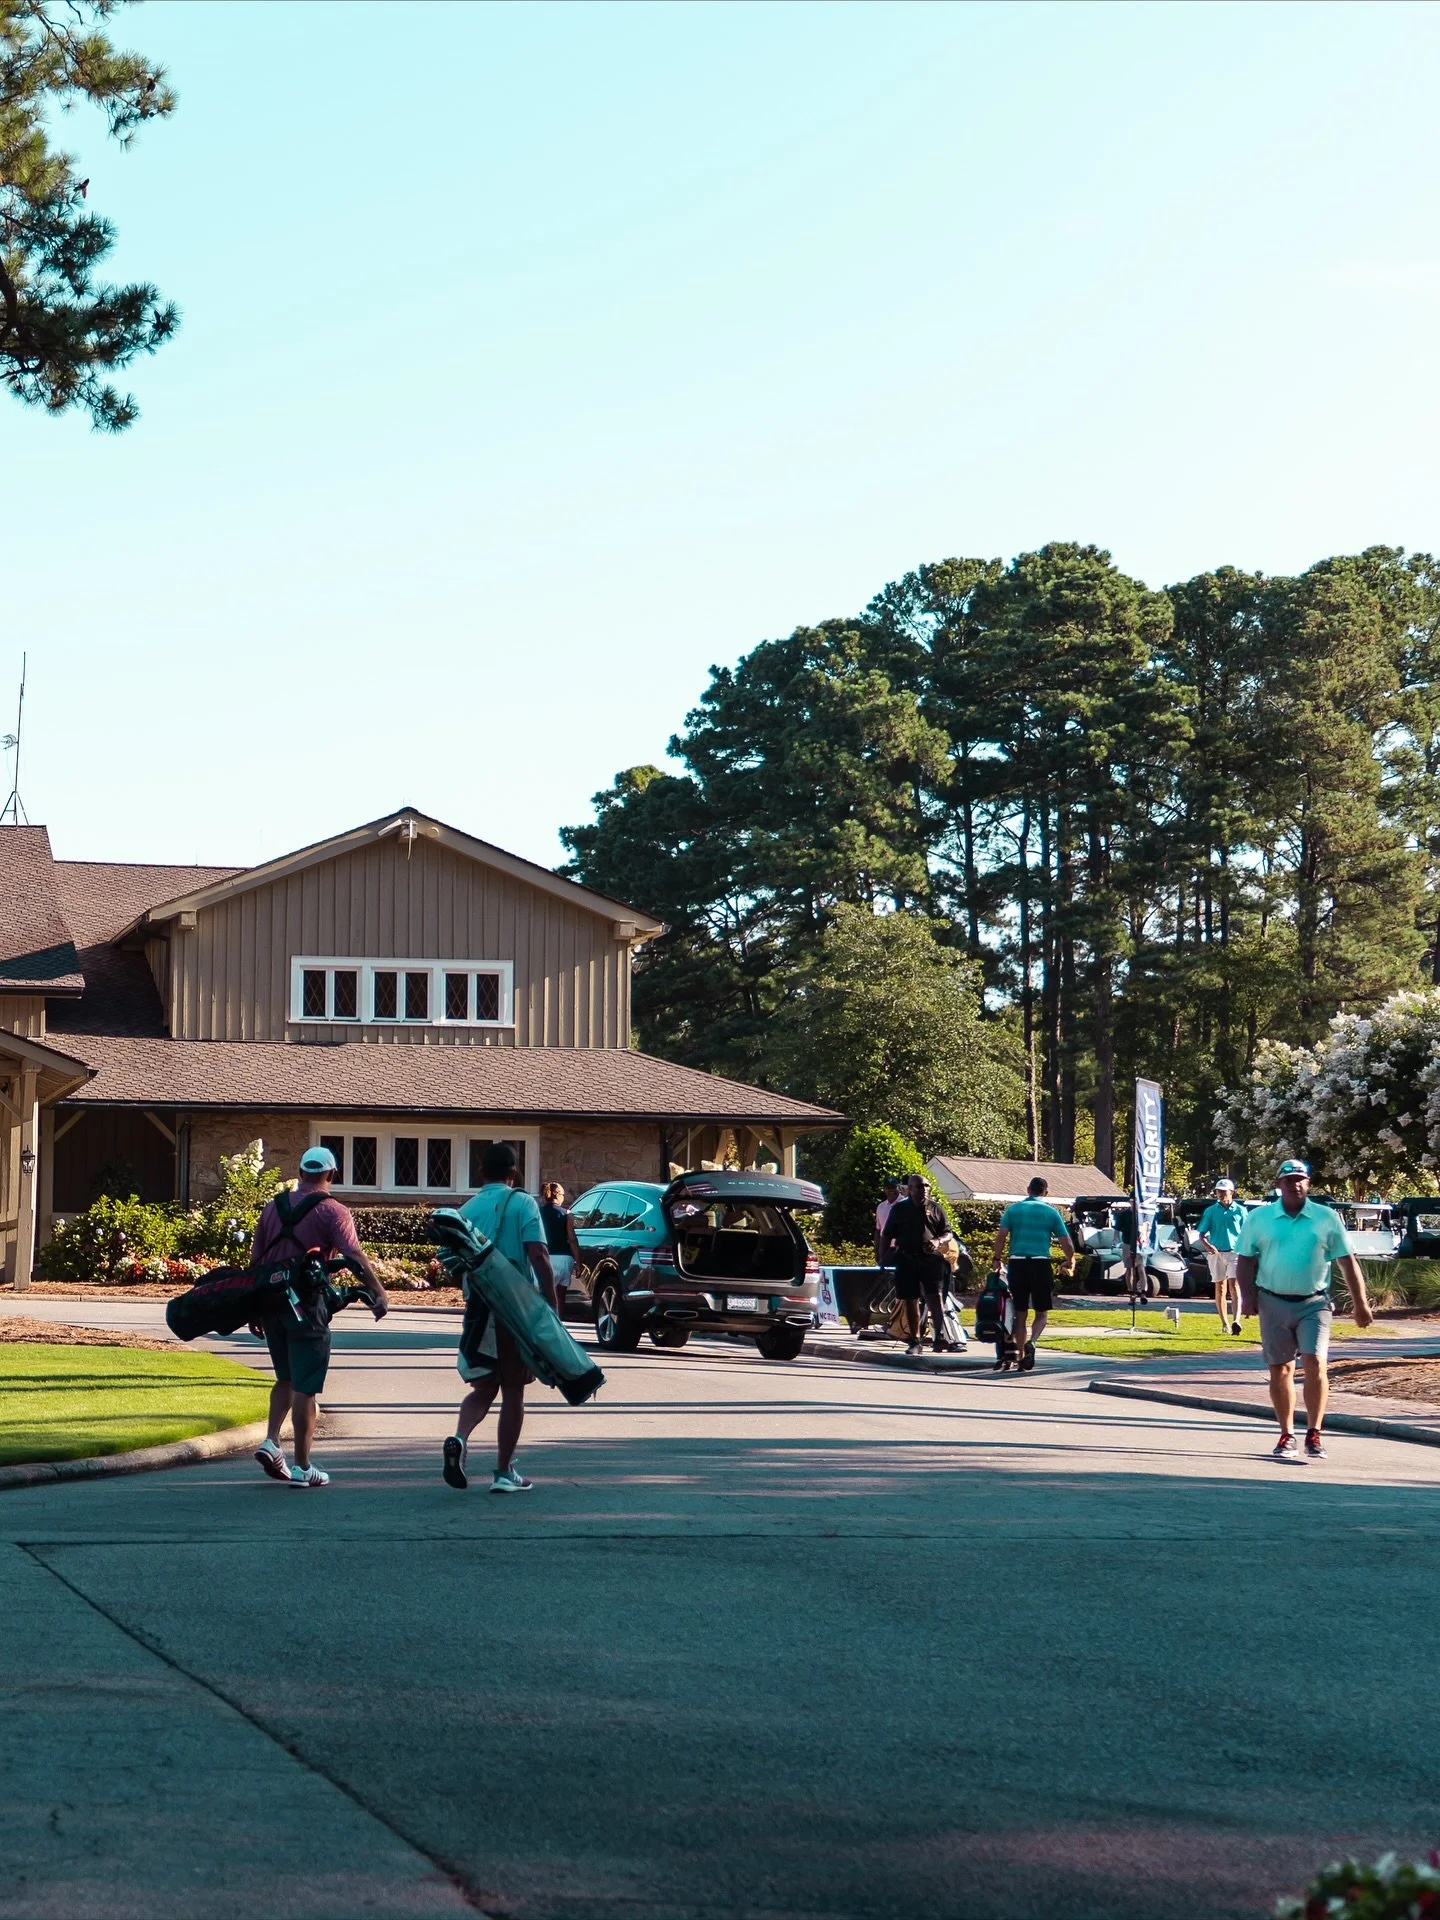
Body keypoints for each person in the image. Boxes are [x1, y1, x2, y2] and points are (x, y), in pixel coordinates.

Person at [251, 1145, 389, 1490]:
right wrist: (377, 1290)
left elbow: (255, 1261)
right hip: (307, 1306)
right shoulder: (333, 1210)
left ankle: (271, 1441)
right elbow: (352, 1254)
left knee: (284, 1377)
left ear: (300, 1172)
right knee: (306, 1387)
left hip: (270, 1302)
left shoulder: (272, 1208)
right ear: (332, 1175)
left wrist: (252, 1307)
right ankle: (302, 1466)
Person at [1236, 1158, 1374, 1463]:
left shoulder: (1325, 1218)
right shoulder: (1259, 1218)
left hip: (1315, 1302)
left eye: (1300, 1179)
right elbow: (1244, 1259)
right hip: (1273, 1301)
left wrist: (1361, 1303)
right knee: (1281, 1369)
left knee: (1315, 1362)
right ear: (1278, 1185)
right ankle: (1286, 1434)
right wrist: (1247, 1297)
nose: (1294, 1184)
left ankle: (1314, 1432)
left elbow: (1347, 1261)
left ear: (1308, 1183)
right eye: (1288, 1180)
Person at [442, 1142, 557, 1494]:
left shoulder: (467, 1209)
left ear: (481, 1172)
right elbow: (537, 1253)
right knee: (512, 1392)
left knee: (484, 1386)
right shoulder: (523, 1203)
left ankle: (459, 1438)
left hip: (478, 1308)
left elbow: (450, 1262)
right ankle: (504, 1471)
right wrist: (550, 1303)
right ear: (513, 1172)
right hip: (513, 1307)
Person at [991, 1175, 1076, 1373]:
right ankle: (1033, 1342)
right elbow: (1067, 1242)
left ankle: (1020, 1356)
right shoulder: (1051, 1212)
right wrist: (1069, 1259)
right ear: (1045, 1193)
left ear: (1028, 1190)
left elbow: (1001, 1236)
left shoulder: (1013, 1210)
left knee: (1020, 1314)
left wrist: (996, 1257)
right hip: (1041, 1263)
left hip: (1017, 1263)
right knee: (1042, 1312)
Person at [880, 1173, 957, 1355]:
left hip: (931, 1259)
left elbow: (948, 1232)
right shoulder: (900, 1209)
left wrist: (938, 1242)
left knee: (934, 1297)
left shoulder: (936, 1208)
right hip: (906, 1258)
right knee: (910, 1299)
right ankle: (915, 1341)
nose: (924, 1189)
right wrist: (882, 1257)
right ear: (910, 1189)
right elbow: (887, 1234)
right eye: (920, 1186)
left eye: (927, 1186)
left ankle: (939, 1337)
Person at [1197, 1177, 1247, 1335]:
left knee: (1234, 1285)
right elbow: (1202, 1234)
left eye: (1223, 1191)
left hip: (1235, 1251)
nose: (1220, 1194)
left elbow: (1247, 1233)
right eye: (1218, 1191)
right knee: (1220, 1287)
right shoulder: (1211, 1211)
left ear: (1231, 1192)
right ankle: (1225, 1323)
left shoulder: (1240, 1211)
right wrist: (1207, 1246)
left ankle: (1236, 1321)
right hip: (1216, 1252)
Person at [538, 1180, 583, 1314]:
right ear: (558, 1195)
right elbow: (572, 1239)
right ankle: (559, 1325)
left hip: (544, 1257)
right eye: (563, 1194)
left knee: (542, 1296)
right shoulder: (567, 1214)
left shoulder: (537, 1213)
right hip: (564, 1258)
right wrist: (578, 1262)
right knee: (560, 1297)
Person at [874, 1175, 902, 1268]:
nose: (891, 1190)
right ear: (884, 1189)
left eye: (893, 1187)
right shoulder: (880, 1207)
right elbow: (878, 1230)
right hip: (885, 1250)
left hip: (901, 1249)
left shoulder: (905, 1204)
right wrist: (877, 1252)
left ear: (898, 1187)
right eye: (888, 1188)